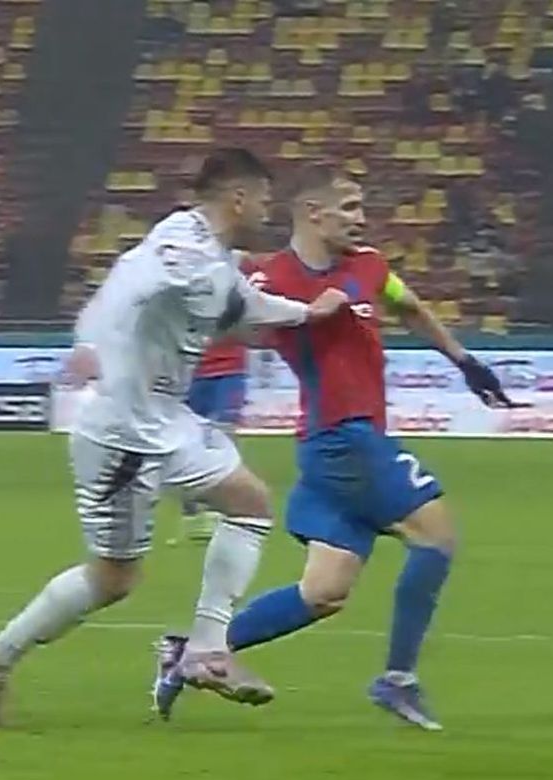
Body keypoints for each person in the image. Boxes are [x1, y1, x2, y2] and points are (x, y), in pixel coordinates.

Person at [0, 148, 348, 728]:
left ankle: (207, 651)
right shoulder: (182, 246)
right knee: (114, 578)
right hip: (122, 433)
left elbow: (242, 306)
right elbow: (128, 285)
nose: (268, 211)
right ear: (238, 198)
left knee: (249, 503)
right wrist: (91, 340)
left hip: (163, 418)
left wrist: (306, 314)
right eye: (264, 200)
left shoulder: (218, 257)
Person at [151, 163, 513, 730]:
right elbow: (220, 321)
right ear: (312, 213)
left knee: (324, 592)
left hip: (337, 446)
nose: (361, 219)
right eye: (349, 208)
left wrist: (464, 361)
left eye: (362, 207)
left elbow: (409, 307)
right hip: (345, 439)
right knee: (437, 537)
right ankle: (398, 679)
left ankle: (192, 650)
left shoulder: (368, 265)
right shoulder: (269, 279)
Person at [171, 335, 250, 545]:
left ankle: (225, 509)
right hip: (188, 370)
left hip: (230, 370)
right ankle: (192, 511)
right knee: (186, 439)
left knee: (224, 435)